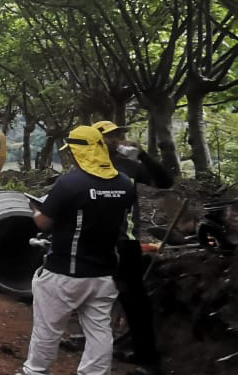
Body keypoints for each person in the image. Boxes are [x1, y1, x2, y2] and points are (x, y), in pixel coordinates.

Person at [17, 125, 137, 375]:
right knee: (99, 330)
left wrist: (35, 209)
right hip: (104, 275)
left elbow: (44, 222)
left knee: (48, 328)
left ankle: (35, 371)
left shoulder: (71, 183)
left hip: (65, 273)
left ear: (79, 151)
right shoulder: (125, 184)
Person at [92, 120, 173, 375]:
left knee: (134, 300)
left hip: (124, 244)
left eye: (118, 135)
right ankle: (97, 346)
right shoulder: (87, 165)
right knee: (93, 298)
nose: (116, 140)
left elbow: (165, 182)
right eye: (110, 136)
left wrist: (144, 155)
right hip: (92, 242)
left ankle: (148, 359)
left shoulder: (129, 166)